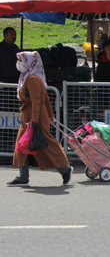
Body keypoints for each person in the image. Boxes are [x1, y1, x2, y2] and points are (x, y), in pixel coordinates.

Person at [7, 51, 73, 186]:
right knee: (22, 144)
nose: (19, 63)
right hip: (30, 115)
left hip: (33, 116)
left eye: (21, 60)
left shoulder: (31, 79)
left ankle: (65, 169)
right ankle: (23, 175)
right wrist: (50, 115)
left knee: (45, 142)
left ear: (29, 62)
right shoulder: (32, 77)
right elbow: (46, 98)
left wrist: (35, 121)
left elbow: (37, 101)